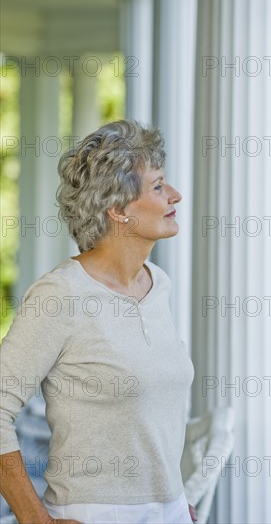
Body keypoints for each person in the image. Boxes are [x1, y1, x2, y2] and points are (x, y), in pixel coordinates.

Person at [0, 119, 198, 524]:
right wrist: (34, 518)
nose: (175, 195)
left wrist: (172, 504)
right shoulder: (61, 295)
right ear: (118, 209)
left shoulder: (158, 284)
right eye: (158, 186)